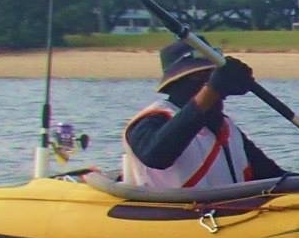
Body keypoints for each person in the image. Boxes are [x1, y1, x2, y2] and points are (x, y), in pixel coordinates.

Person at [121, 40, 285, 188]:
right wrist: (212, 90)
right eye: (201, 76)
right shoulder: (149, 120)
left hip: (228, 214)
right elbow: (156, 157)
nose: (210, 84)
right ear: (179, 81)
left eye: (212, 75)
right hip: (170, 216)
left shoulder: (224, 126)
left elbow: (272, 176)